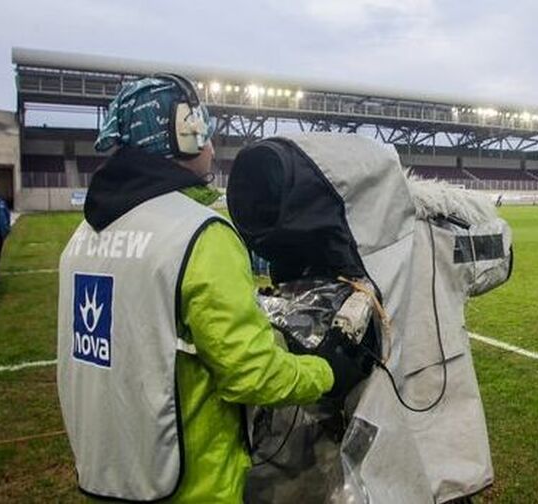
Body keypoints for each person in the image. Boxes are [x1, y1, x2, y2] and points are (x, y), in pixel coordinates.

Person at [56, 75, 338, 502]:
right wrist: (326, 370)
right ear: (182, 134)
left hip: (110, 475)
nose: (210, 144)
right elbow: (252, 375)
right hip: (192, 484)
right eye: (203, 129)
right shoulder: (199, 234)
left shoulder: (81, 239)